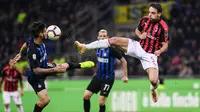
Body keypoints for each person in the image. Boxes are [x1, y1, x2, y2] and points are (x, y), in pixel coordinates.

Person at [75, 3, 169, 103]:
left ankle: (153, 89)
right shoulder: (145, 20)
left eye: (153, 13)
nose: (150, 15)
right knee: (114, 40)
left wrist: (160, 50)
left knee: (154, 81)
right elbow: (137, 30)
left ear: (159, 14)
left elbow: (165, 45)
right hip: (137, 46)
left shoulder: (163, 27)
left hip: (150, 55)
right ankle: (85, 46)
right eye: (149, 12)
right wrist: (140, 35)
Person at [13, 21, 95, 112]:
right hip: (36, 76)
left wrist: (20, 54)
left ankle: (81, 65)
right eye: (45, 31)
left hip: (44, 66)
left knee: (62, 68)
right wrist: (53, 69)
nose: (47, 32)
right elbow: (36, 70)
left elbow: (25, 45)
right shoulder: (33, 51)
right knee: (45, 100)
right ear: (40, 34)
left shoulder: (32, 39)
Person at [83, 29, 128, 112]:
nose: (102, 38)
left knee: (101, 102)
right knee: (86, 96)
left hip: (108, 78)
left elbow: (124, 61)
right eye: (101, 36)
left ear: (108, 38)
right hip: (98, 76)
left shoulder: (112, 49)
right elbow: (87, 48)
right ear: (98, 38)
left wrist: (125, 76)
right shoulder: (96, 47)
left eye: (104, 36)